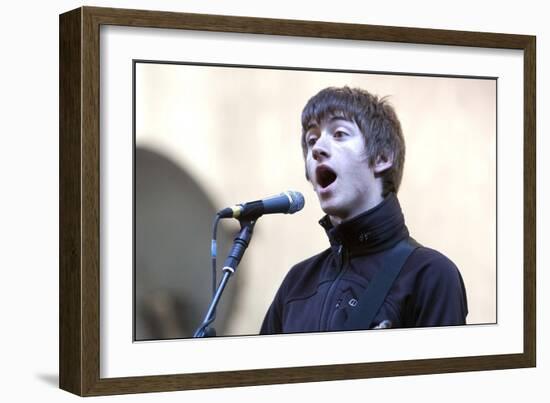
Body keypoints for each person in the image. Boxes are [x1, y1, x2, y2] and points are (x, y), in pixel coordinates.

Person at [260, 86, 468, 334]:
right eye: (311, 140)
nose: (317, 149)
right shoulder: (297, 283)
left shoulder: (429, 274)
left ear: (382, 157)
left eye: (339, 134)